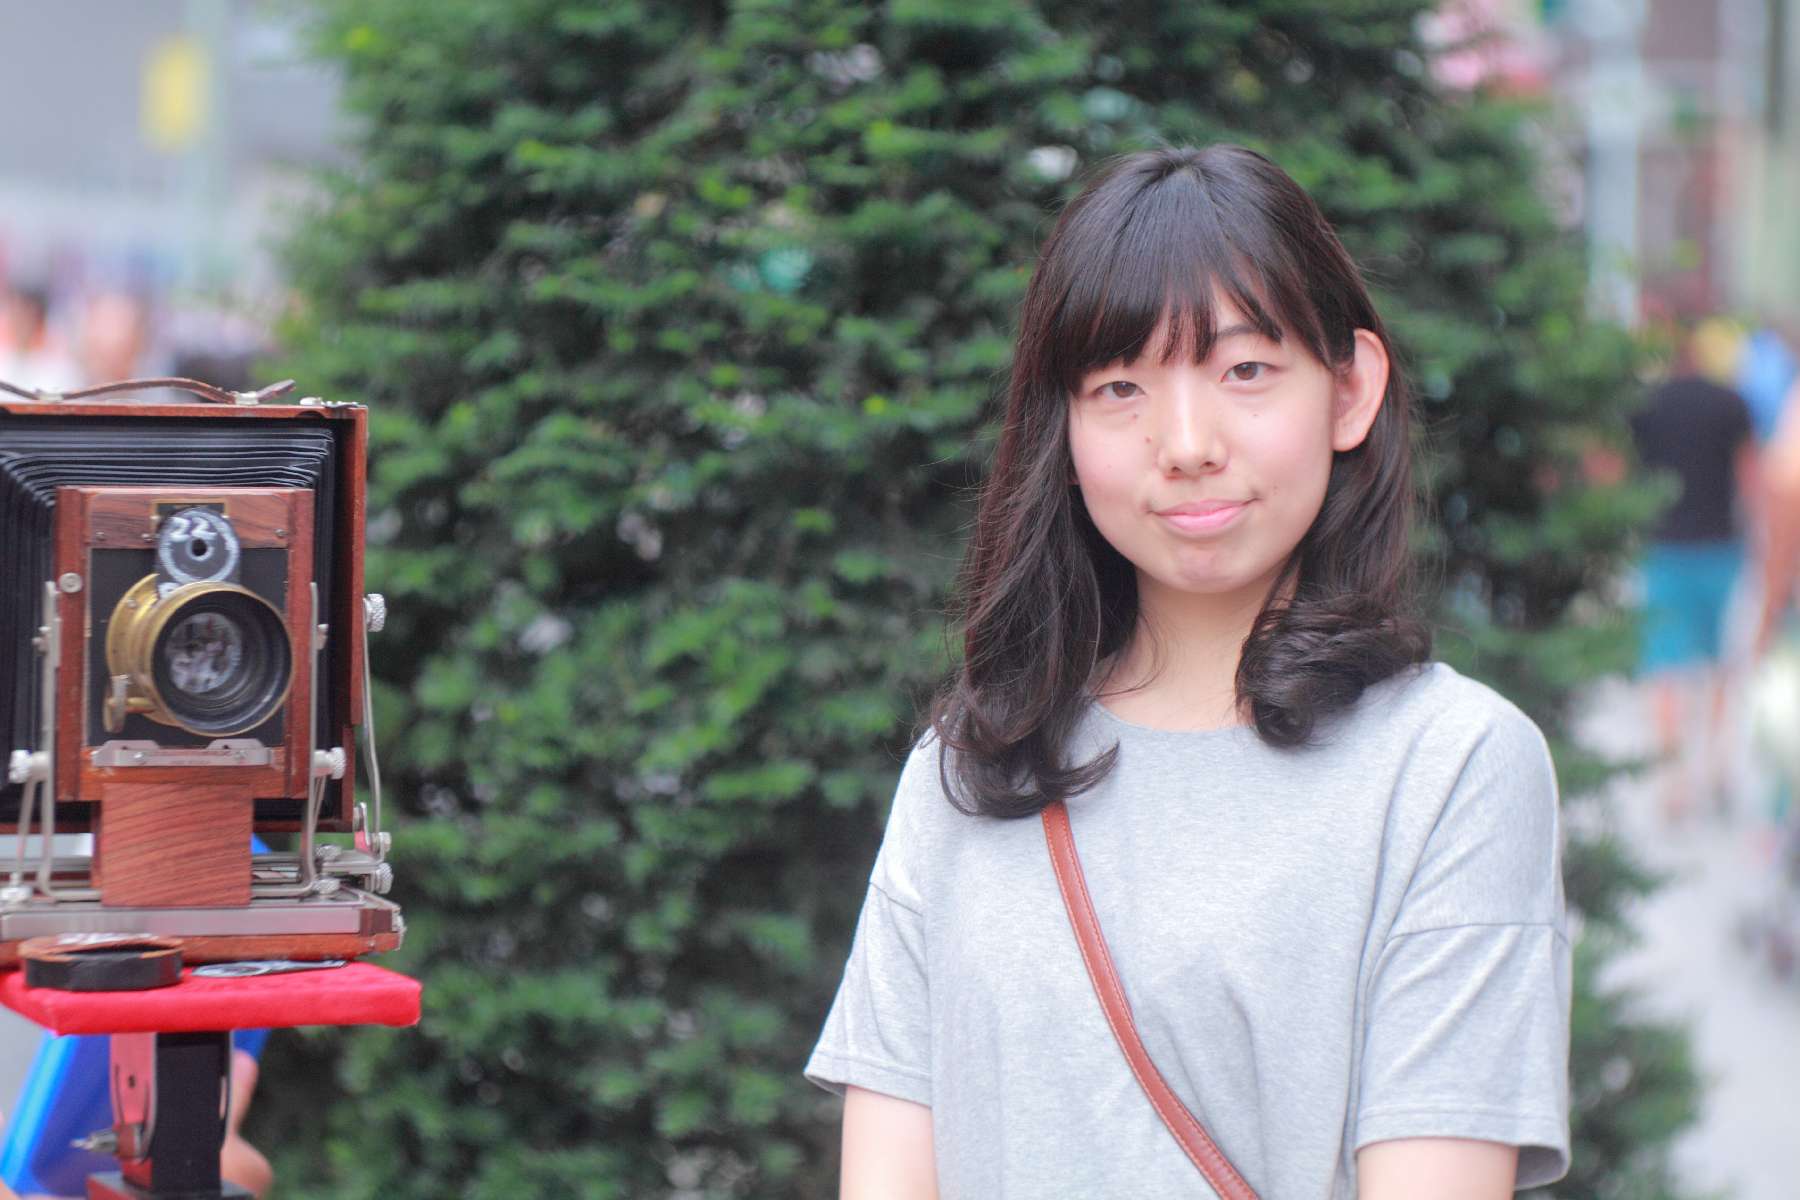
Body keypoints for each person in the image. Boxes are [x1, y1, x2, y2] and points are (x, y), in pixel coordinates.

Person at [804, 146, 1571, 1197]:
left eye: (1244, 370)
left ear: (1350, 390)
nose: (1186, 442)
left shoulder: (1450, 770)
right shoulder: (968, 771)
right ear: (1066, 430)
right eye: (1120, 387)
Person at [1629, 332, 1759, 824]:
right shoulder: (1731, 403)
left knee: (1665, 667)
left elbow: (1618, 469)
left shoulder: (1647, 405)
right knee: (1721, 663)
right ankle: (1716, 766)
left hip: (1664, 548)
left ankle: (1674, 784)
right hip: (1721, 547)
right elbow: (1750, 475)